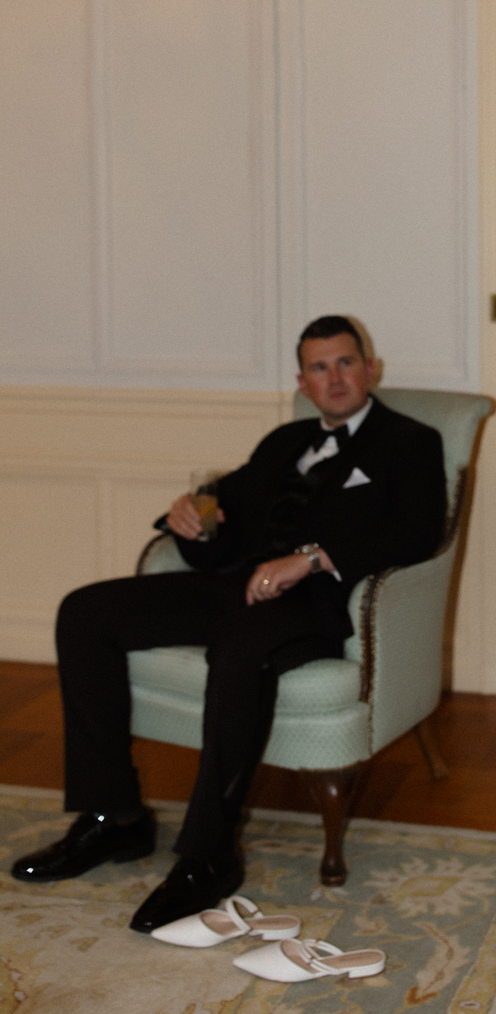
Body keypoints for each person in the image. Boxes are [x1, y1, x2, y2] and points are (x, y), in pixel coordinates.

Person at [12, 315, 446, 934]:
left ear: (370, 369)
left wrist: (314, 557)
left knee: (238, 645)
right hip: (235, 587)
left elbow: (418, 531)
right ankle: (113, 817)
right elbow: (223, 528)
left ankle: (208, 855)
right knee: (85, 612)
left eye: (346, 362)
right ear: (303, 381)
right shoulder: (281, 443)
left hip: (317, 603)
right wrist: (194, 519)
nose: (336, 378)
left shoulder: (410, 442)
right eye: (320, 368)